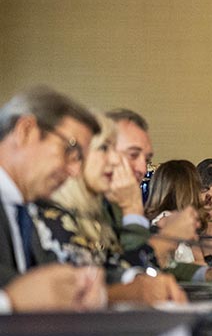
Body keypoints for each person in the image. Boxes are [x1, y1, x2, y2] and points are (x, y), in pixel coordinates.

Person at [39, 113, 187, 304]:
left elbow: (126, 275)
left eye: (146, 159)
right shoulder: (53, 213)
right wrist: (134, 211)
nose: (114, 160)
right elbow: (86, 292)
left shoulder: (99, 211)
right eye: (104, 149)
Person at [0, 86, 107, 311]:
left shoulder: (29, 208)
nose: (75, 172)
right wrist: (9, 301)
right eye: (71, 151)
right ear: (26, 131)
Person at [106, 109, 198, 264]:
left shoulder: (115, 207)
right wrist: (168, 237)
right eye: (133, 155)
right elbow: (128, 270)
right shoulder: (81, 207)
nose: (143, 169)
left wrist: (207, 273)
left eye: (147, 160)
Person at [145, 160, 212, 283]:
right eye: (197, 186)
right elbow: (171, 267)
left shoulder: (180, 219)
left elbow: (205, 258)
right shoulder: (167, 221)